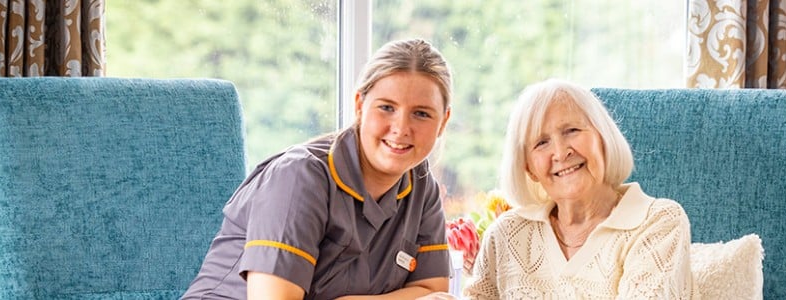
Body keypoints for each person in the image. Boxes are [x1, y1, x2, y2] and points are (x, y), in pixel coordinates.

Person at [183, 39, 454, 300]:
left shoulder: (419, 183)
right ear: (360, 106)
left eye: (421, 114)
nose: (401, 128)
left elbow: (433, 290)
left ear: (443, 122)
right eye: (386, 107)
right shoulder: (298, 177)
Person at [463, 79, 693, 299]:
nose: (561, 153)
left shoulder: (659, 222)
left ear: (603, 138)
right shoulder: (506, 234)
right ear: (529, 168)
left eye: (571, 130)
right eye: (542, 143)